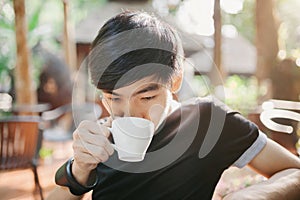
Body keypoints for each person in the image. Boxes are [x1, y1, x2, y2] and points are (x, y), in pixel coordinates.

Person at [47, 11, 300, 200]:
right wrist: (79, 168)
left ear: (175, 81)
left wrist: (254, 195)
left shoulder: (208, 121)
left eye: (146, 98)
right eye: (114, 98)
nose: (131, 114)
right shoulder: (103, 136)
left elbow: (294, 172)